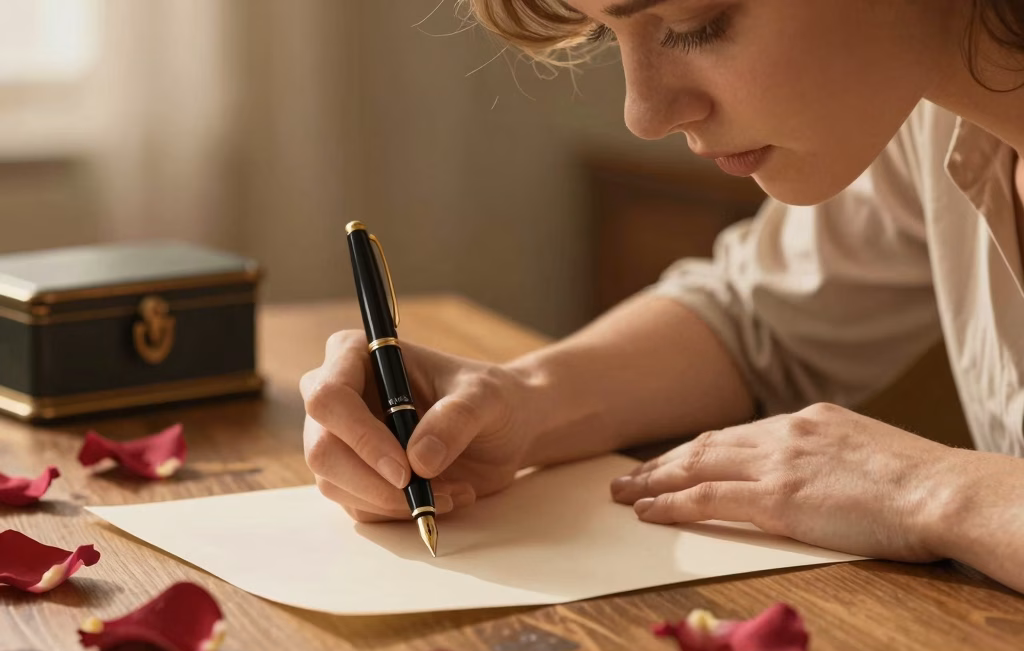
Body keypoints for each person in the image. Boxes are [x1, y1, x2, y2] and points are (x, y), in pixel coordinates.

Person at [300, 0, 1024, 594]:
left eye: (693, 22)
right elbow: (753, 320)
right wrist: (516, 399)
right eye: (607, 31)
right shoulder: (925, 114)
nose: (643, 112)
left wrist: (931, 489)